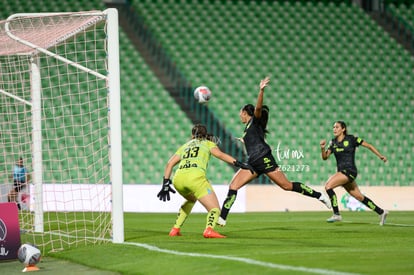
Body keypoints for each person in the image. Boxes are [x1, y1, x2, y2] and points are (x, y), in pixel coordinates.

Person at [218, 77, 331, 227]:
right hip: (253, 162)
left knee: (286, 186)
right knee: (233, 186)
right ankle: (222, 218)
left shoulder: (254, 120)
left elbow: (258, 109)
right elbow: (254, 139)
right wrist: (246, 141)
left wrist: (261, 90)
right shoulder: (248, 129)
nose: (239, 115)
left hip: (264, 158)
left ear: (246, 113)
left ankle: (319, 196)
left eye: (241, 112)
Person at [157, 124, 253, 238]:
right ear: (205, 135)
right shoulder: (208, 143)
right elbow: (220, 155)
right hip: (195, 178)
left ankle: (175, 229)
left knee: (191, 199)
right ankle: (209, 230)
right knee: (215, 209)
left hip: (178, 180)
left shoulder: (185, 146)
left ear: (193, 135)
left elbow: (169, 164)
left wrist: (165, 184)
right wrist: (239, 163)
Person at [320, 121, 389, 225]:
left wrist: (380, 156)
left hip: (349, 170)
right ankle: (381, 212)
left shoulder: (351, 139)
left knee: (328, 186)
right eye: (333, 127)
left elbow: (369, 145)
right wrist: (322, 148)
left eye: (337, 127)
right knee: (359, 197)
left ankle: (337, 214)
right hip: (342, 173)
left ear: (343, 129)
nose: (334, 129)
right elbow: (325, 157)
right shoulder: (333, 142)